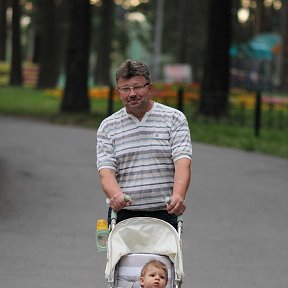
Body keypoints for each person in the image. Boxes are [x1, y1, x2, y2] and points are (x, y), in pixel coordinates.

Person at [96, 59, 192, 229]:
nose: (132, 93)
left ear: (150, 88)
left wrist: (178, 195)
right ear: (118, 91)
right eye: (125, 89)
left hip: (165, 212)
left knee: (163, 257)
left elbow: (182, 163)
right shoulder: (108, 127)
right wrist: (116, 195)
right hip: (124, 213)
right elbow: (106, 172)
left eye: (138, 87)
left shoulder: (174, 119)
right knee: (123, 257)